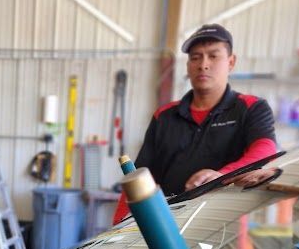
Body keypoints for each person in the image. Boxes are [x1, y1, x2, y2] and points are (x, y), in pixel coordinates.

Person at [113, 24, 278, 223]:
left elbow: (266, 149)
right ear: (188, 65)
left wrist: (221, 176)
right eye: (195, 57)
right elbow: (140, 178)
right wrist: (118, 226)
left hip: (224, 227)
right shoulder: (164, 116)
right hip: (169, 225)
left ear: (231, 62)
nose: (203, 64)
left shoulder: (251, 108)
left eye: (213, 56)